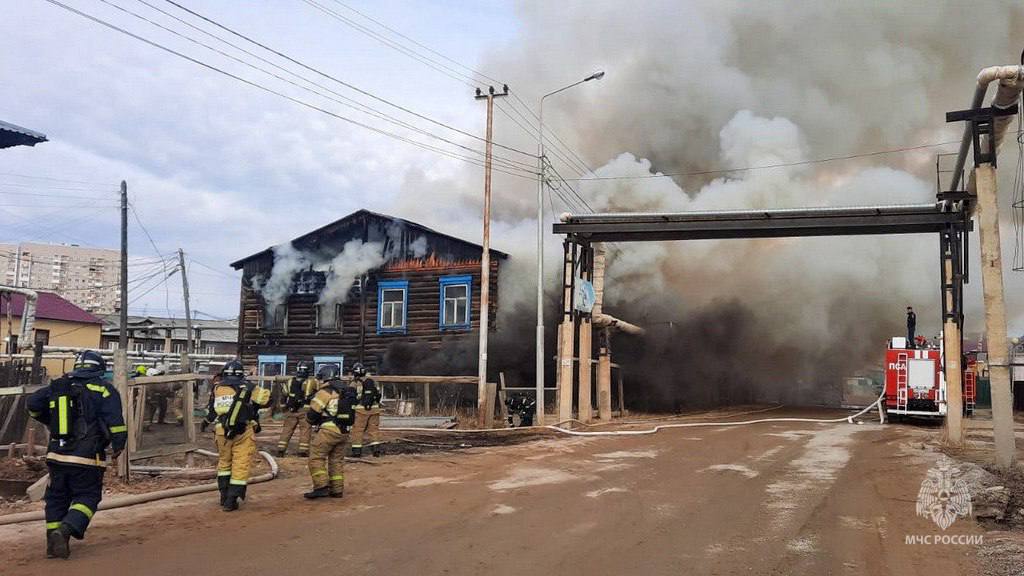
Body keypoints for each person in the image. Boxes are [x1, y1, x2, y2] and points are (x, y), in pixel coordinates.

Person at [27, 350, 127, 559]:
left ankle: (51, 545)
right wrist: (118, 446)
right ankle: (65, 530)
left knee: (56, 499)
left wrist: (49, 421)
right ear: (99, 369)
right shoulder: (104, 389)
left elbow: (33, 405)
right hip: (87, 457)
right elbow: (116, 423)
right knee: (88, 497)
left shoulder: (58, 386)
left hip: (56, 455)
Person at [201, 360, 270, 511]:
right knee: (240, 464)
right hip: (243, 431)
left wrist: (206, 422)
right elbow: (266, 400)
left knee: (224, 463)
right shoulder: (249, 388)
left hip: (221, 431)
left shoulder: (217, 388)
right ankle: (231, 500)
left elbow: (212, 410)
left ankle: (223, 495)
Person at [304, 364, 356, 499]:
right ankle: (337, 490)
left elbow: (313, 413)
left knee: (316, 457)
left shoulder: (325, 392)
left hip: (328, 430)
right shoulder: (346, 390)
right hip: (344, 430)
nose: (320, 381)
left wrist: (310, 421)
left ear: (325, 377)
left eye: (320, 378)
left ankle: (321, 486)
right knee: (336, 460)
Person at [276, 361, 317, 457]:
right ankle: (303, 451)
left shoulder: (290, 381)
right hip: (305, 410)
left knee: (287, 430)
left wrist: (283, 408)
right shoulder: (312, 382)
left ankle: (280, 450)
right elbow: (317, 395)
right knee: (305, 430)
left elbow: (283, 396)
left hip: (291, 410)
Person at [350, 362, 383, 457]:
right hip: (375, 409)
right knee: (373, 430)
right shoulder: (372, 381)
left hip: (361, 410)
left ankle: (356, 451)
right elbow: (378, 394)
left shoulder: (355, 383)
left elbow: (351, 397)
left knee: (358, 430)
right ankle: (376, 450)